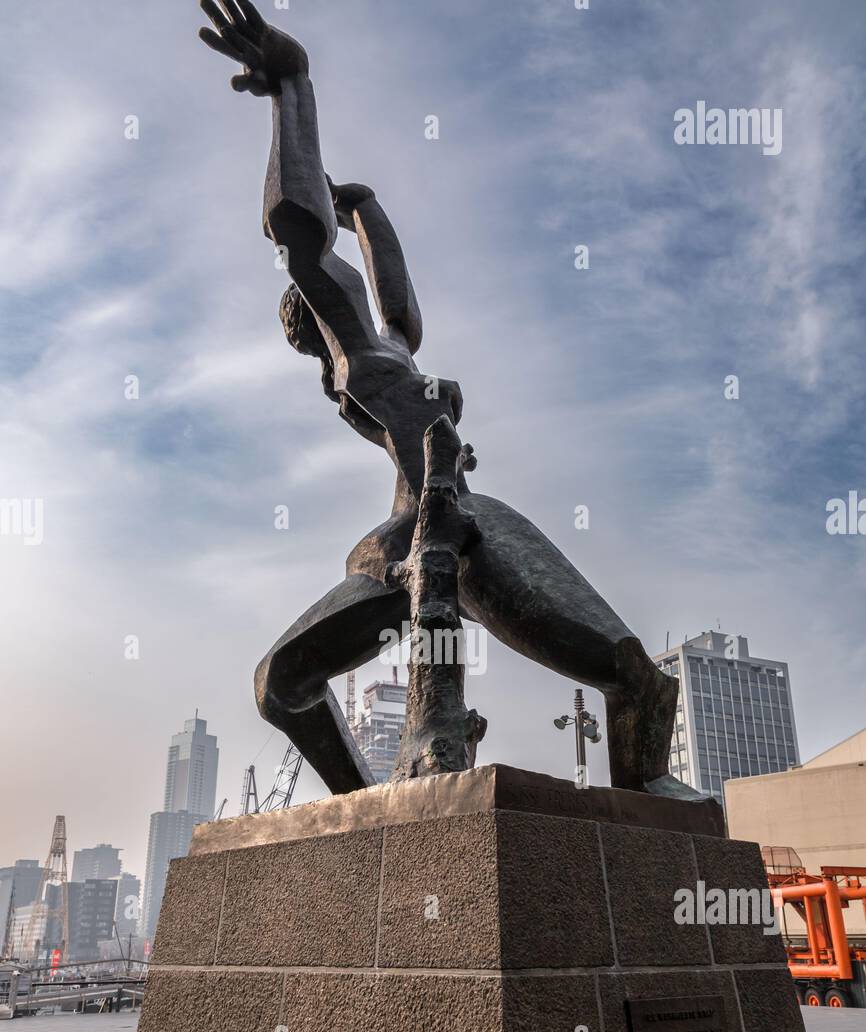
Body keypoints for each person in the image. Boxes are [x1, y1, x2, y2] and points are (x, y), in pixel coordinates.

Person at [198, 0, 700, 801]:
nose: (314, 308)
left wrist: (294, 88)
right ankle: (366, 809)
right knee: (280, 682)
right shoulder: (385, 347)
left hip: (456, 519)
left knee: (629, 674)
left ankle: (652, 790)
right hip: (404, 539)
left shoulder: (358, 351)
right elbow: (397, 295)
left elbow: (298, 238)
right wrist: (363, 206)